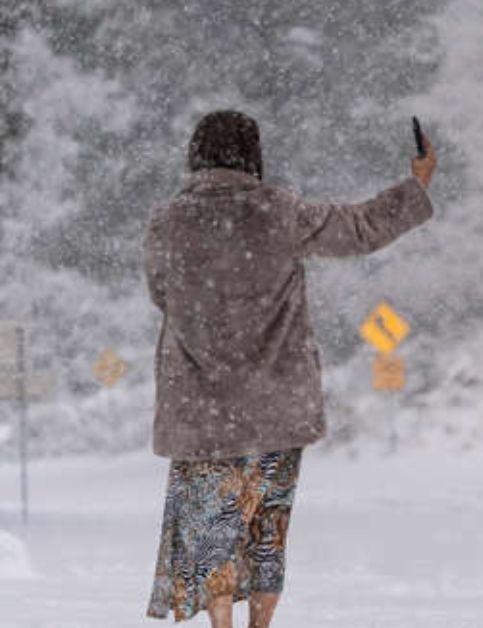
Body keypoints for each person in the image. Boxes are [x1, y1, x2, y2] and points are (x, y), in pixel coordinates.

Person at [142, 110, 437, 627]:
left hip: (201, 410)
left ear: (196, 154)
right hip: (274, 408)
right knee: (266, 530)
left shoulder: (168, 222)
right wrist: (417, 184)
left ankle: (221, 624)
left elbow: (160, 294)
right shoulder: (279, 212)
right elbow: (362, 227)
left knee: (213, 529)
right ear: (252, 155)